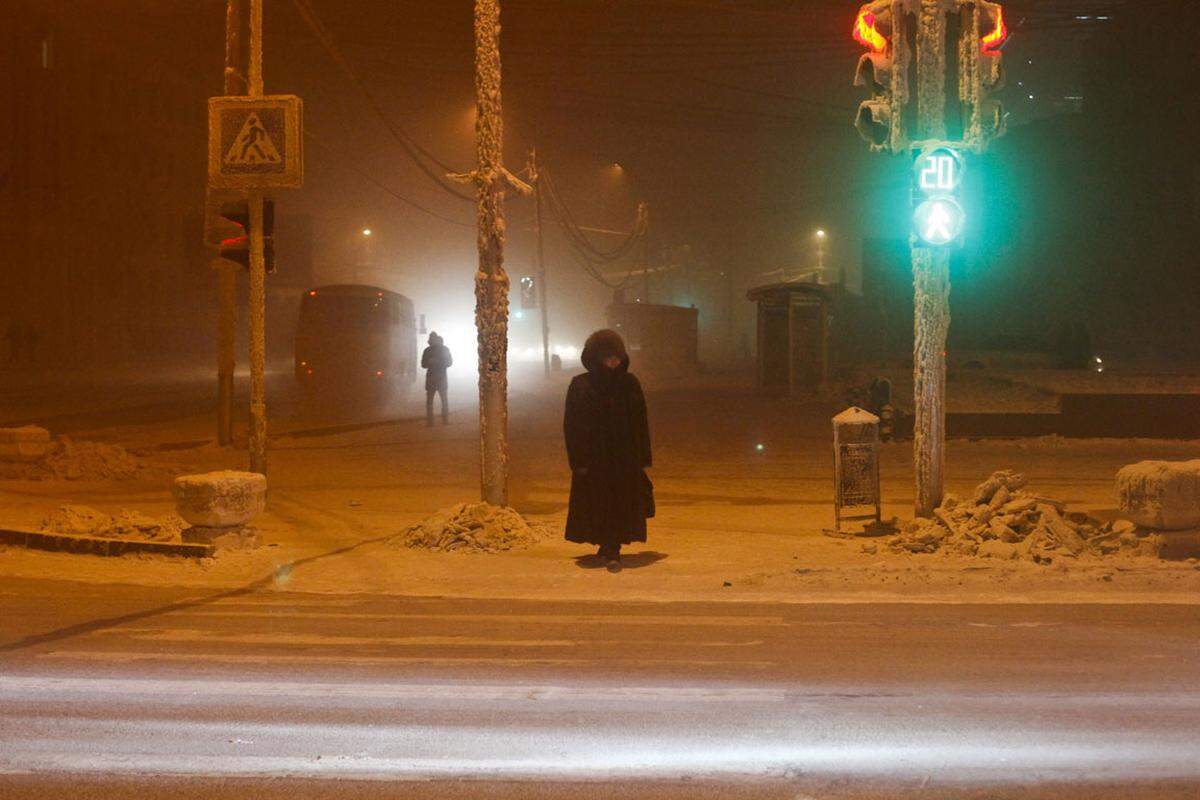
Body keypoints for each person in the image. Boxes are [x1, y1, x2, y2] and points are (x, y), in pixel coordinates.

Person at [563, 329, 654, 572]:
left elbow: (640, 422)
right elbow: (571, 425)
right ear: (596, 357)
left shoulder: (629, 383)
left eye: (617, 356)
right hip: (594, 459)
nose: (613, 361)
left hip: (624, 458)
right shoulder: (581, 385)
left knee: (619, 504)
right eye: (607, 356)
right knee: (598, 504)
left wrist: (643, 456)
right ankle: (606, 545)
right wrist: (578, 460)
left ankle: (612, 547)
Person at [421, 331, 453, 426]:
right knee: (442, 400)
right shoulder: (444, 349)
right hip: (440, 378)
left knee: (432, 402)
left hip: (433, 379)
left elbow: (423, 364)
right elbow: (449, 362)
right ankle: (444, 420)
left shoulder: (428, 350)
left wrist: (434, 362)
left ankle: (432, 422)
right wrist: (433, 362)